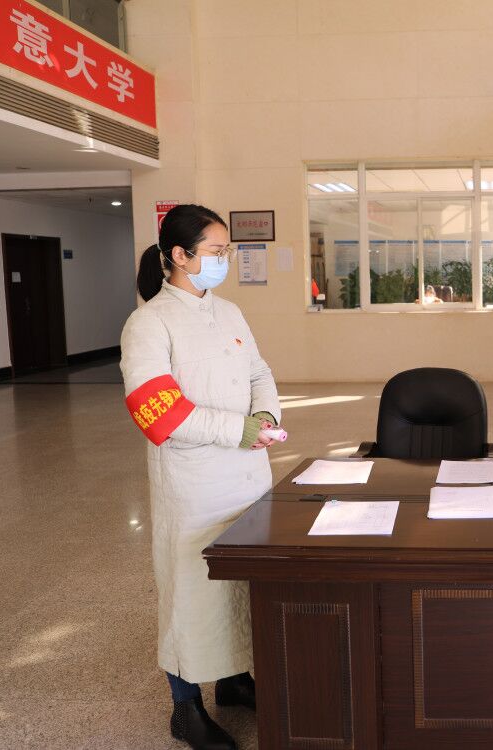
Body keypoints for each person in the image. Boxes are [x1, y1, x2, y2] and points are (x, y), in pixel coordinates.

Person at [120, 204, 281, 750]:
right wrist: (238, 429)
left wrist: (266, 415)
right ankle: (184, 707)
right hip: (194, 486)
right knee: (192, 592)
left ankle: (234, 681)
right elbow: (159, 413)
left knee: (243, 586)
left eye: (226, 251)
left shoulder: (229, 311)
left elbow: (259, 371)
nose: (223, 260)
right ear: (180, 255)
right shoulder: (149, 323)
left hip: (247, 476)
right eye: (215, 251)